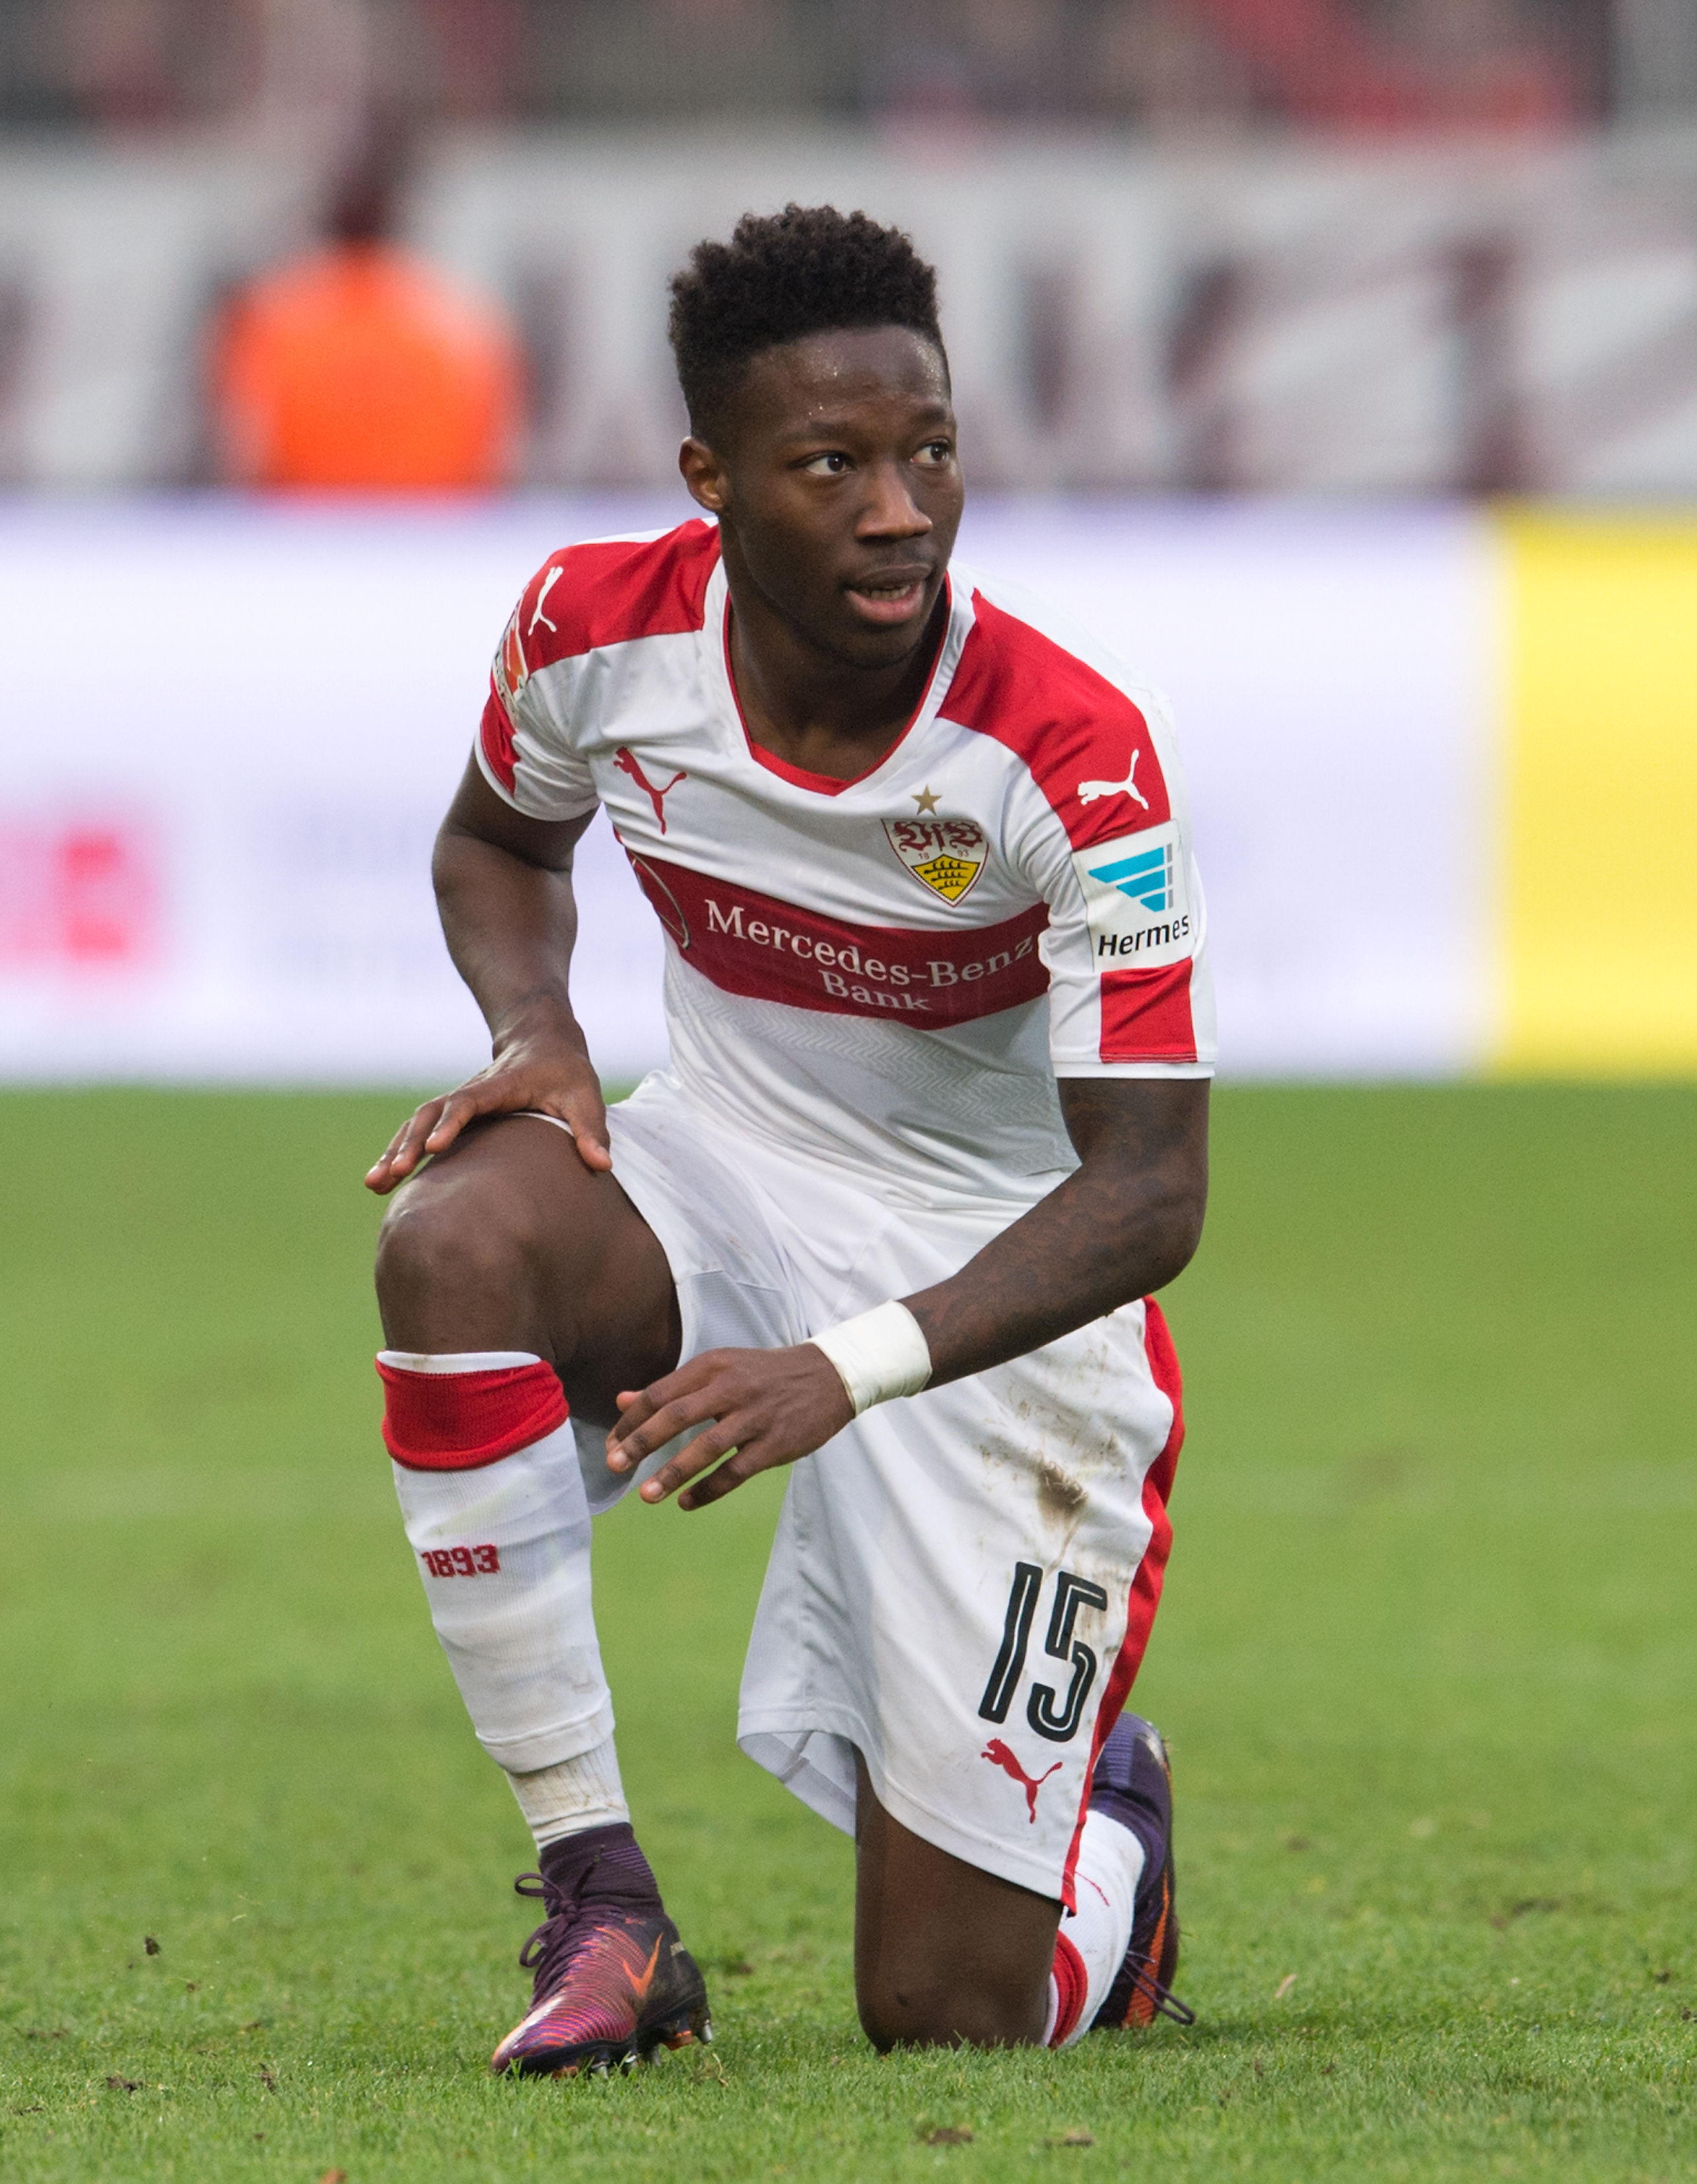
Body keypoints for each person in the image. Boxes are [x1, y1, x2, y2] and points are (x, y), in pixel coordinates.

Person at [365, 203, 1213, 2075]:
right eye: (833, 465)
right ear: (712, 481)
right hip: (724, 1169)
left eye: (932, 452)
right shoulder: (593, 627)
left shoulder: (1070, 754)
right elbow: (497, 839)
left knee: (949, 2019)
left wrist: (843, 1367)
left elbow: (1150, 1192)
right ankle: (602, 1900)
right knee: (451, 1239)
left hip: (998, 1296)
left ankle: (1115, 1849)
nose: (901, 511)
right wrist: (536, 1035)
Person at [211, 127, 522, 491]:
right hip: (431, 517)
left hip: (305, 517)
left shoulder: (270, 321)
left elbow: (246, 452)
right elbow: (494, 455)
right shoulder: (460, 324)